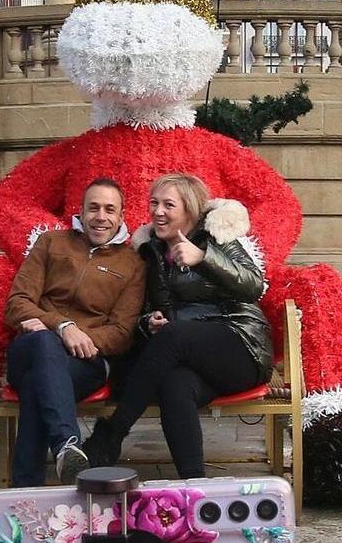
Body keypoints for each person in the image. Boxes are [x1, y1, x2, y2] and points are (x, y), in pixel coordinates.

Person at [83, 173, 273, 479]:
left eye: (168, 204)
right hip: (186, 352)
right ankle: (194, 485)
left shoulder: (215, 237)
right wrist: (150, 322)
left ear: (190, 210)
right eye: (153, 203)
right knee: (175, 386)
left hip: (240, 345)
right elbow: (144, 310)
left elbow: (254, 284)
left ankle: (112, 434)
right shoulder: (151, 251)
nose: (158, 212)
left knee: (174, 337)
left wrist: (204, 259)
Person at [3, 178, 145, 487]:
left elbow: (122, 332)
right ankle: (67, 444)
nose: (101, 217)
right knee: (43, 344)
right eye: (93, 208)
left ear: (121, 217)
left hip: (85, 362)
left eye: (110, 210)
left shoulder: (132, 263)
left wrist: (83, 340)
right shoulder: (51, 243)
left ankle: (25, 487)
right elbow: (17, 303)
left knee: (35, 383)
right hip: (30, 348)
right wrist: (62, 327)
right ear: (80, 211)